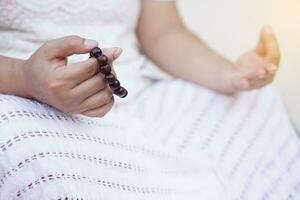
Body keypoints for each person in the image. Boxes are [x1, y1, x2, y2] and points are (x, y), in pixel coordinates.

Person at [0, 0, 299, 199]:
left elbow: (163, 31)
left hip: (140, 99)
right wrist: (24, 76)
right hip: (25, 100)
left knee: (255, 103)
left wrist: (229, 74)